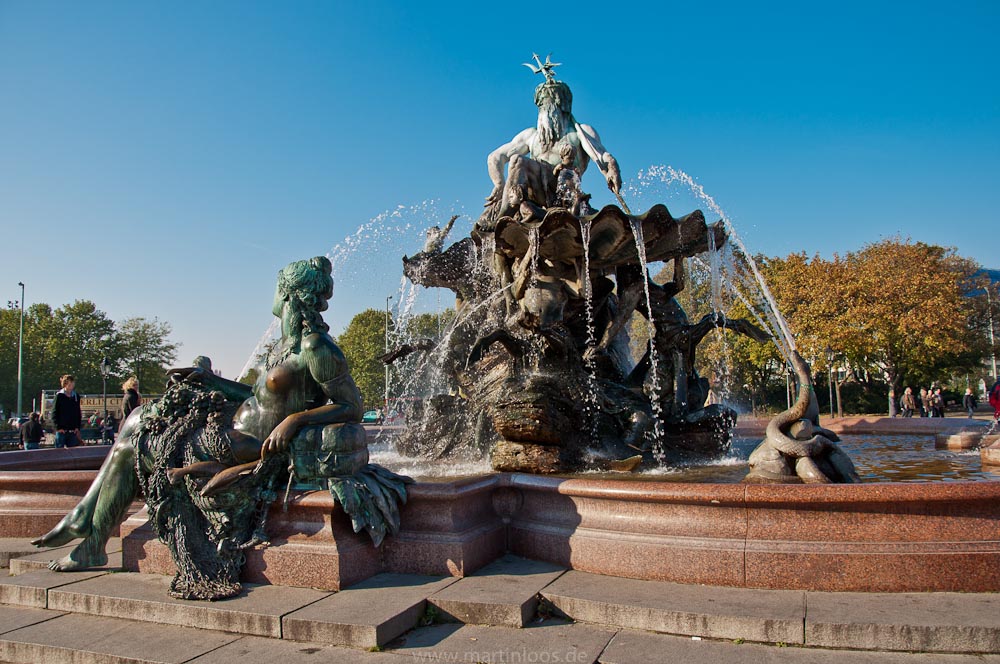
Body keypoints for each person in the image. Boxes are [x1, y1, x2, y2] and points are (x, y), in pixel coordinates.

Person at [33, 257, 365, 577]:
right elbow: (256, 397)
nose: (274, 296)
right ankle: (87, 529)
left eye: (278, 288)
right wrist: (207, 380)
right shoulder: (281, 348)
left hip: (250, 445)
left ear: (291, 293)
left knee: (138, 435)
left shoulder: (316, 348)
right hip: (236, 431)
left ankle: (89, 532)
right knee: (137, 420)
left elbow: (352, 406)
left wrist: (296, 420)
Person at [52, 375, 82, 448]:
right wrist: (58, 428)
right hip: (62, 430)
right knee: (59, 452)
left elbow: (78, 412)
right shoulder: (59, 396)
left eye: (73, 383)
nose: (72, 385)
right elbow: (54, 412)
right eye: (70, 384)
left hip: (72, 430)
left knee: (73, 452)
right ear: (65, 384)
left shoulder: (76, 396)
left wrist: (77, 427)